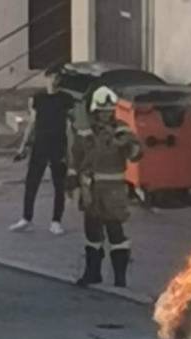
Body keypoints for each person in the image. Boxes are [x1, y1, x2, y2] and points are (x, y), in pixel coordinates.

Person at [68, 86, 142, 288]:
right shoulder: (85, 131)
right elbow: (75, 156)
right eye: (102, 112)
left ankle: (120, 278)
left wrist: (127, 144)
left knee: (115, 232)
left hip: (113, 191)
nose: (106, 115)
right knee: (92, 233)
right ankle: (93, 273)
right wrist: (72, 182)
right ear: (95, 111)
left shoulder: (121, 129)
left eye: (109, 111)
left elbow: (136, 154)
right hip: (90, 190)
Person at [11, 65, 73, 235]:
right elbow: (32, 123)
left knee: (59, 184)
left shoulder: (66, 99)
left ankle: (56, 221)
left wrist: (69, 151)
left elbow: (69, 126)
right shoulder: (38, 98)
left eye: (58, 77)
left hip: (58, 144)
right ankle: (26, 218)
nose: (55, 80)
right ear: (46, 78)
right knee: (32, 181)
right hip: (40, 144)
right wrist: (23, 145)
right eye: (52, 76)